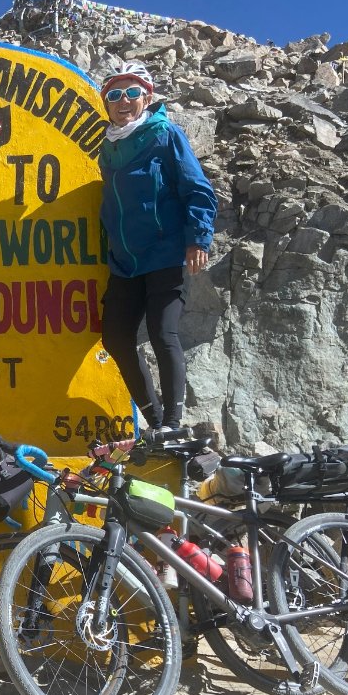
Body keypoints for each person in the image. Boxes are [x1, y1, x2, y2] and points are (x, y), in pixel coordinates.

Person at [97, 60, 218, 434]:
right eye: (114, 95)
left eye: (132, 92)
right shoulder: (108, 147)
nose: (123, 101)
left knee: (163, 332)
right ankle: (154, 421)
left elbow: (196, 186)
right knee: (115, 338)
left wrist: (198, 237)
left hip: (164, 252)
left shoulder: (164, 133)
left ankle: (173, 423)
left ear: (146, 97)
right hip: (125, 262)